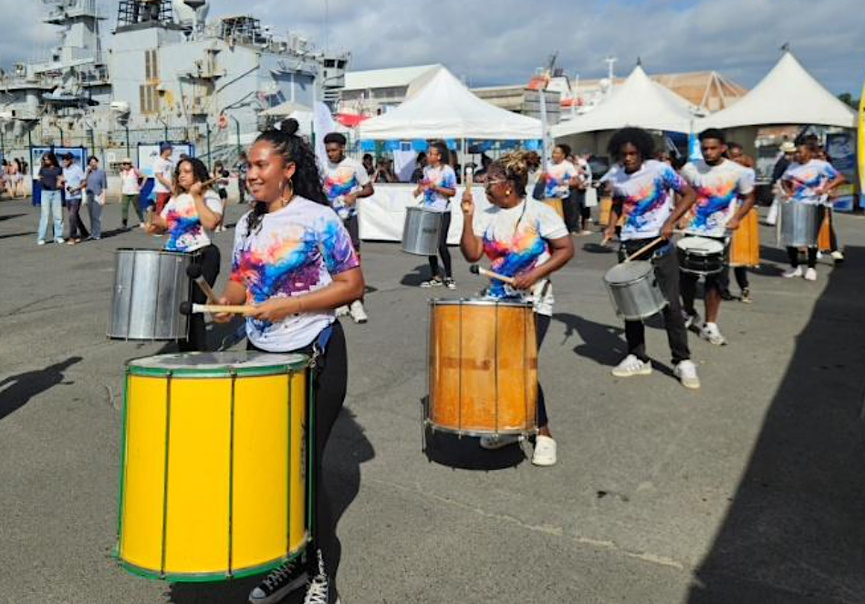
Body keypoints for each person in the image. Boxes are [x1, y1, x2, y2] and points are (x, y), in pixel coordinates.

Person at [212, 121, 364, 604]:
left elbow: (352, 285)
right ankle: (289, 562)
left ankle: (319, 572)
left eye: (261, 165)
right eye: (248, 166)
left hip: (314, 353)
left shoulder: (318, 218)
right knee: (274, 470)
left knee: (306, 470)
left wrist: (290, 306)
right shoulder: (248, 222)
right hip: (263, 357)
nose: (250, 174)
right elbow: (242, 282)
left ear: (288, 169)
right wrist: (224, 303)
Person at [459, 150, 574, 466]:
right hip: (498, 301)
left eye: (490, 179)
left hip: (534, 302)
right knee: (496, 366)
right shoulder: (486, 214)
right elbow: (471, 254)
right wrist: (467, 216)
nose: (485, 184)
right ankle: (510, 427)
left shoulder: (539, 212)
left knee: (521, 365)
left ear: (509, 185)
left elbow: (566, 249)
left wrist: (535, 274)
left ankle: (544, 432)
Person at [603, 127, 701, 389]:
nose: (628, 159)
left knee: (670, 305)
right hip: (630, 245)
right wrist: (612, 225)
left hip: (659, 243)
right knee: (631, 305)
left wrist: (671, 221)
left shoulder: (660, 170)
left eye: (633, 153)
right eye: (623, 154)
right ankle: (637, 356)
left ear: (642, 152)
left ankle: (682, 360)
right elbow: (617, 202)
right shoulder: (618, 175)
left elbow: (690, 193)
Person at [679, 130, 756, 345]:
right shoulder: (690, 168)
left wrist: (738, 217)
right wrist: (682, 214)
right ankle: (689, 312)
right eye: (704, 148)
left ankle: (710, 325)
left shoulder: (739, 172)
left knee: (714, 280)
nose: (708, 152)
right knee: (686, 277)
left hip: (720, 233)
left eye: (713, 148)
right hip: (692, 230)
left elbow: (749, 197)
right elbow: (680, 189)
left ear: (723, 148)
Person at [146, 157, 223, 352]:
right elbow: (164, 225)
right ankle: (185, 351)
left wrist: (197, 197)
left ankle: (198, 353)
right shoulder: (176, 198)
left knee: (195, 307)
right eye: (179, 171)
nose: (181, 175)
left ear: (198, 174)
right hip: (176, 258)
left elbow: (211, 223)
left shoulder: (209, 196)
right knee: (180, 308)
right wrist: (154, 223)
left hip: (202, 255)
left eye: (187, 171)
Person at [322, 132, 374, 324]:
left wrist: (356, 195)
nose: (330, 154)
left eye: (334, 150)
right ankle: (341, 300)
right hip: (330, 221)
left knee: (353, 260)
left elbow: (369, 189)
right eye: (328, 150)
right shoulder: (322, 166)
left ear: (342, 148)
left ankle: (357, 302)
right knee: (333, 260)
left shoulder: (354, 166)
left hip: (349, 219)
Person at [779, 138, 846, 281]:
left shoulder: (821, 165)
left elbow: (840, 177)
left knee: (811, 238)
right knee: (790, 237)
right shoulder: (792, 166)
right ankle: (794, 266)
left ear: (809, 153)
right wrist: (788, 192)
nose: (797, 155)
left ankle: (811, 267)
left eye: (800, 152)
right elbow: (784, 180)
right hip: (795, 203)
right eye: (795, 152)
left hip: (814, 204)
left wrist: (825, 189)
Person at [719, 144, 760, 304]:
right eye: (733, 156)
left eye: (739, 155)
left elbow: (751, 195)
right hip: (723, 214)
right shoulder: (722, 172)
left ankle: (744, 287)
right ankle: (722, 289)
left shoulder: (746, 172)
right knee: (724, 257)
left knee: (739, 257)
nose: (737, 159)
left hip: (741, 215)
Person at [414, 141, 457, 288]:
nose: (428, 156)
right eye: (428, 153)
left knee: (441, 244)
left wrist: (436, 187)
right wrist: (420, 189)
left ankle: (449, 276)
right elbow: (425, 185)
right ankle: (435, 275)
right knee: (430, 245)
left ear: (439, 156)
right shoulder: (426, 169)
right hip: (428, 210)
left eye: (431, 153)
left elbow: (452, 192)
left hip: (443, 210)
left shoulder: (447, 171)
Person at [538, 144, 580, 229]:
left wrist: (564, 182)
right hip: (549, 197)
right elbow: (542, 179)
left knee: (562, 223)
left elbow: (577, 181)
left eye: (557, 153)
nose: (554, 155)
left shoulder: (568, 165)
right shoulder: (547, 164)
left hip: (563, 197)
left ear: (563, 155)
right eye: (553, 152)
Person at [36, 153, 64, 245]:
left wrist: (60, 182)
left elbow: (61, 179)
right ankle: (41, 237)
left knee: (58, 216)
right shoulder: (43, 169)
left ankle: (58, 236)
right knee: (45, 215)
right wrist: (41, 180)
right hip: (45, 193)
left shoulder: (58, 169)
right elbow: (39, 178)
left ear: (52, 159)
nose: (46, 161)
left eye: (47, 159)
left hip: (56, 192)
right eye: (44, 159)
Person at [766, 141, 796, 226]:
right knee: (784, 201)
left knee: (777, 201)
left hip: (782, 182)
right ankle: (781, 219)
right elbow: (777, 174)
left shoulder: (783, 160)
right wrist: (775, 183)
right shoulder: (784, 162)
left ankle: (772, 219)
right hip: (782, 183)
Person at [62, 153, 88, 245]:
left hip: (76, 196)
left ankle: (72, 237)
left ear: (71, 160)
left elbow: (84, 182)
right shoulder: (64, 170)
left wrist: (76, 188)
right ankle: (84, 232)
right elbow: (64, 182)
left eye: (66, 159)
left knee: (72, 216)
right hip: (67, 196)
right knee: (75, 216)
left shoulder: (77, 169)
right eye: (63, 159)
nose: (64, 161)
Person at [84, 156, 108, 241]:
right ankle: (92, 233)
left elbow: (104, 186)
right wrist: (86, 172)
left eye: (94, 162)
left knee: (96, 216)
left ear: (97, 163)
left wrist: (104, 197)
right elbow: (84, 183)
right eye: (91, 162)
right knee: (91, 215)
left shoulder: (101, 172)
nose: (93, 164)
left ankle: (97, 234)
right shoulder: (88, 172)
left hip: (98, 195)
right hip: (89, 195)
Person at [119, 158, 144, 230]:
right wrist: (120, 195)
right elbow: (122, 183)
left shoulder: (134, 170)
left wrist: (141, 186)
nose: (126, 165)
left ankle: (141, 221)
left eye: (127, 164)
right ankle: (124, 224)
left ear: (130, 164)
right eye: (124, 164)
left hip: (134, 192)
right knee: (124, 208)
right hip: (125, 193)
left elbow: (144, 176)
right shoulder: (122, 172)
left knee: (137, 208)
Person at [152, 142, 174, 215]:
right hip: (161, 190)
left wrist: (173, 185)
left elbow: (172, 175)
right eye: (170, 149)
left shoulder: (170, 162)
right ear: (165, 150)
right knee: (160, 210)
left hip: (170, 190)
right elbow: (159, 177)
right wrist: (170, 185)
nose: (171, 151)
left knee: (170, 209)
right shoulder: (158, 161)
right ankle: (159, 224)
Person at [212, 160, 229, 231]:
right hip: (215, 192)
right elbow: (211, 182)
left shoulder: (224, 173)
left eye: (220, 166)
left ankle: (221, 225)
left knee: (222, 209)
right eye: (217, 166)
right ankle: (216, 225)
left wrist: (222, 180)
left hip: (222, 191)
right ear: (215, 167)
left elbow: (227, 182)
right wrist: (215, 179)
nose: (219, 168)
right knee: (217, 209)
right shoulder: (212, 174)